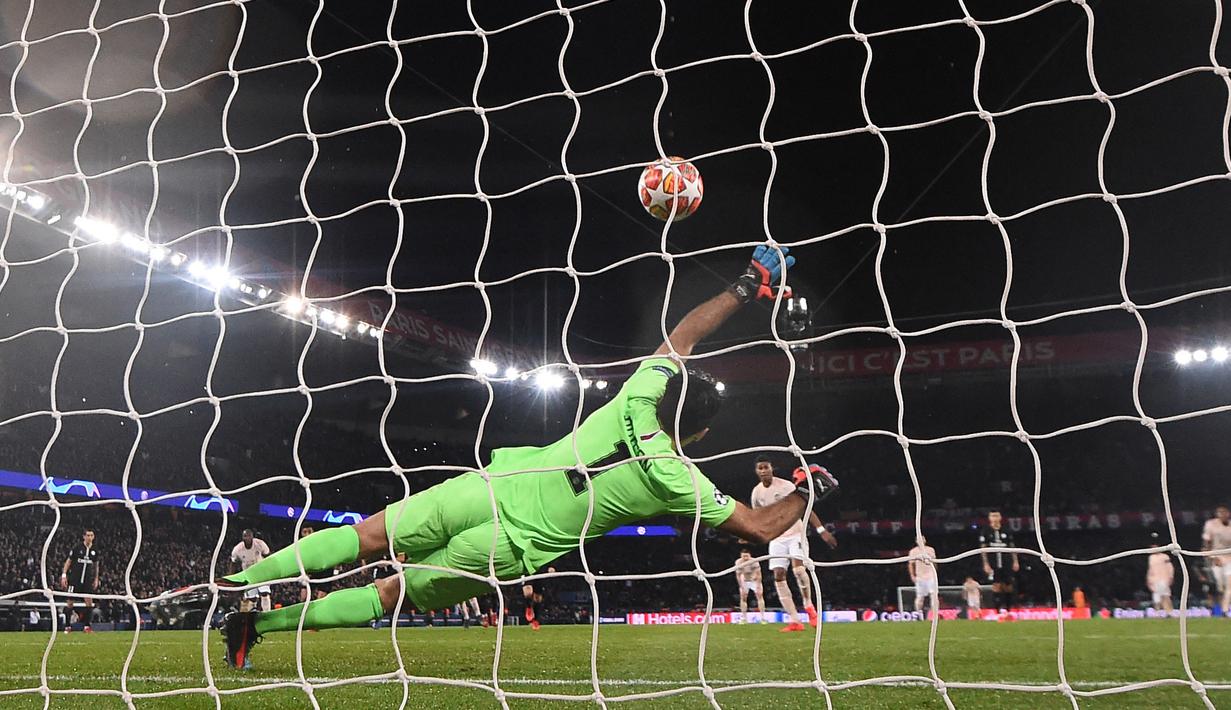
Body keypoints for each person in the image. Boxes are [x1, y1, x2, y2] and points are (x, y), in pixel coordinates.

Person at [214, 246, 840, 669]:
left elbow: (683, 336)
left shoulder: (641, 393)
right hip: (511, 546)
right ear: (699, 435)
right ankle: (259, 628)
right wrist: (808, 487)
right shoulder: (679, 480)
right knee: (391, 594)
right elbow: (760, 527)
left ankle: (238, 585)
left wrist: (747, 285)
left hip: (496, 484)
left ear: (667, 392)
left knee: (369, 534)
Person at [749, 458, 838, 632]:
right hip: (776, 537)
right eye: (760, 468)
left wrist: (821, 530)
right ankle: (794, 620)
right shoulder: (756, 493)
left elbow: (805, 507)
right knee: (778, 576)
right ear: (756, 471)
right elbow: (757, 516)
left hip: (795, 532)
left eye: (766, 467)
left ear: (771, 468)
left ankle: (809, 606)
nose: (763, 471)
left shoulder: (786, 486)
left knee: (798, 570)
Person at [978, 510, 1018, 612]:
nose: (995, 518)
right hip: (993, 562)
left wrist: (1015, 561)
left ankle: (1008, 609)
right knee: (996, 586)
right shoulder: (985, 531)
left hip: (1006, 561)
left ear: (1000, 517)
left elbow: (1012, 546)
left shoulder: (1006, 530)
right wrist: (985, 564)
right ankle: (997, 609)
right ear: (989, 518)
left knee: (1008, 586)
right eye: (992, 516)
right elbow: (983, 549)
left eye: (996, 515)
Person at [60, 528, 100, 631]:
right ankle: (68, 626)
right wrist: (64, 575)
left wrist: (96, 578)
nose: (90, 537)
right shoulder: (77, 548)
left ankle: (87, 626)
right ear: (84, 536)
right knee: (70, 602)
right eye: (88, 535)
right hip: (75, 579)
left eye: (91, 535)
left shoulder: (95, 550)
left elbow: (96, 565)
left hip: (87, 580)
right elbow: (68, 561)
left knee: (89, 602)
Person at [230, 529, 272, 613]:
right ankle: (253, 615)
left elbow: (268, 555)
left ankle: (267, 613)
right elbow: (233, 563)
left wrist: (269, 570)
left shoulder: (260, 544)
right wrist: (231, 577)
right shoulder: (238, 549)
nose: (247, 538)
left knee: (264, 593)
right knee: (252, 598)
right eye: (245, 536)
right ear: (242, 538)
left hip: (261, 572)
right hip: (248, 574)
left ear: (252, 536)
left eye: (249, 536)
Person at [1202, 504, 1231, 615]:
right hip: (1216, 557)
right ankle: (1216, 608)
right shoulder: (1211, 525)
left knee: (1229, 585)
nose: (1223, 514)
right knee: (1219, 587)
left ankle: (1224, 609)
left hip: (1229, 558)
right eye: (1220, 512)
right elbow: (1207, 542)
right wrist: (1211, 556)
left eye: (1225, 512)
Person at [907, 536, 938, 617]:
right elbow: (910, 564)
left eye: (922, 539)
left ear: (925, 540)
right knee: (920, 597)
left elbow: (934, 562)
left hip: (930, 575)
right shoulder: (913, 551)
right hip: (920, 577)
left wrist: (935, 573)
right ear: (916, 541)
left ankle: (934, 615)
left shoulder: (930, 550)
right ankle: (918, 615)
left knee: (933, 595)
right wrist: (912, 575)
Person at [734, 548, 767, 624]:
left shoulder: (754, 561)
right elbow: (738, 575)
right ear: (741, 556)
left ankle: (763, 618)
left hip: (754, 580)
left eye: (747, 556)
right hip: (744, 580)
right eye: (743, 556)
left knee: (760, 596)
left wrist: (758, 585)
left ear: (750, 555)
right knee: (743, 598)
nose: (745, 558)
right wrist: (741, 586)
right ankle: (744, 618)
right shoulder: (738, 562)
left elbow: (758, 574)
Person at [1146, 537, 1174, 614]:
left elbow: (1170, 568)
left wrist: (1171, 577)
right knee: (1156, 598)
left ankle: (1169, 612)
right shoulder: (1151, 557)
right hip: (1154, 580)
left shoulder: (1164, 557)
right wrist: (1148, 580)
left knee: (1165, 596)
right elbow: (1150, 570)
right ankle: (1157, 613)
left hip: (1164, 579)